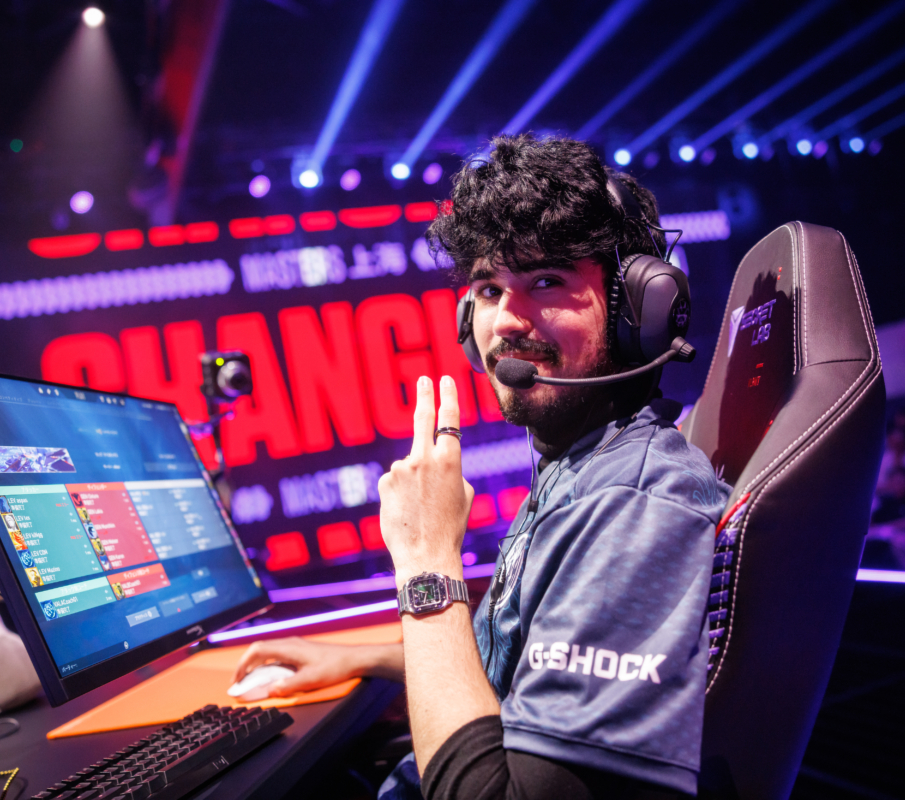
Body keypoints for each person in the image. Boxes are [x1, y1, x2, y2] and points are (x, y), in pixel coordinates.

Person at [233, 135, 729, 799]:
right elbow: (514, 648)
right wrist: (360, 657)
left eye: (547, 281)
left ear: (638, 308)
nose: (507, 322)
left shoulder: (636, 501)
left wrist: (426, 562)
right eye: (490, 289)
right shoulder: (579, 466)